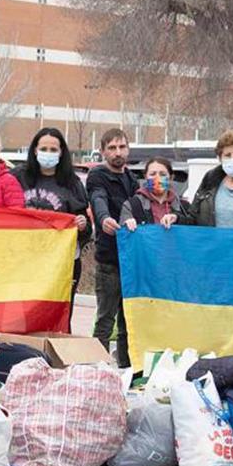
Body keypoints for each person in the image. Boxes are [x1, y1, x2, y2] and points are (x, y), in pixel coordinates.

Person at [17, 127, 90, 316]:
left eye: (53, 150)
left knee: (56, 316)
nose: (48, 154)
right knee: (23, 316)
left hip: (60, 264)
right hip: (25, 262)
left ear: (61, 152)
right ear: (34, 150)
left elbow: (86, 228)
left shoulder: (72, 183)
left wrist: (83, 225)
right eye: (44, 149)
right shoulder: (18, 177)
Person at [86, 127, 137, 368]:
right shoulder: (98, 176)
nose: (118, 152)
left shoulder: (133, 180)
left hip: (131, 261)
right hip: (108, 260)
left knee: (128, 322)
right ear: (103, 152)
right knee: (105, 321)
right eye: (112, 148)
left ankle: (127, 370)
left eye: (122, 147)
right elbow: (98, 198)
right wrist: (103, 217)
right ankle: (99, 369)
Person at [120, 157, 189, 231]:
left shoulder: (184, 207)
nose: (157, 178)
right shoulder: (132, 205)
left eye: (163, 174)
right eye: (152, 174)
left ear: (171, 178)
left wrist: (178, 219)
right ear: (146, 177)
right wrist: (126, 224)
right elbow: (123, 233)